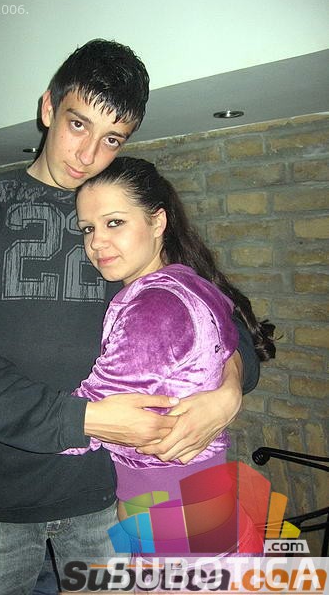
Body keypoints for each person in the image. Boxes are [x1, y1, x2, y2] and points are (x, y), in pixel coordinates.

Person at [0, 39, 260, 594]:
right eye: (77, 124)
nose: (86, 154)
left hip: (109, 498)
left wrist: (227, 393)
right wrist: (82, 418)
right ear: (48, 108)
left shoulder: (121, 214)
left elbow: (222, 326)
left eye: (111, 139)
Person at [62, 156, 276, 555]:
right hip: (201, 512)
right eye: (88, 228)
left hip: (178, 527)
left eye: (114, 222)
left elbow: (85, 418)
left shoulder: (154, 307)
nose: (96, 242)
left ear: (158, 221)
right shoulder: (188, 281)